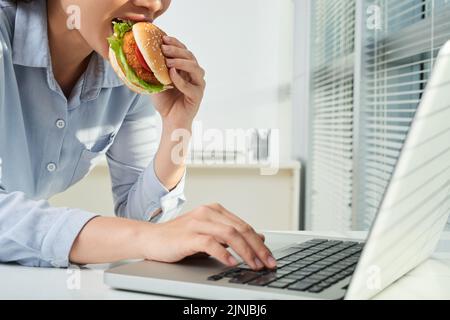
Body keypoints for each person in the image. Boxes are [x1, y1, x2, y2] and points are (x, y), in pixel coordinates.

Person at [0, 0, 277, 271]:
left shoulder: (128, 70)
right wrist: (146, 238)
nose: (154, 4)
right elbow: (145, 237)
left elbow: (142, 222)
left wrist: (176, 123)